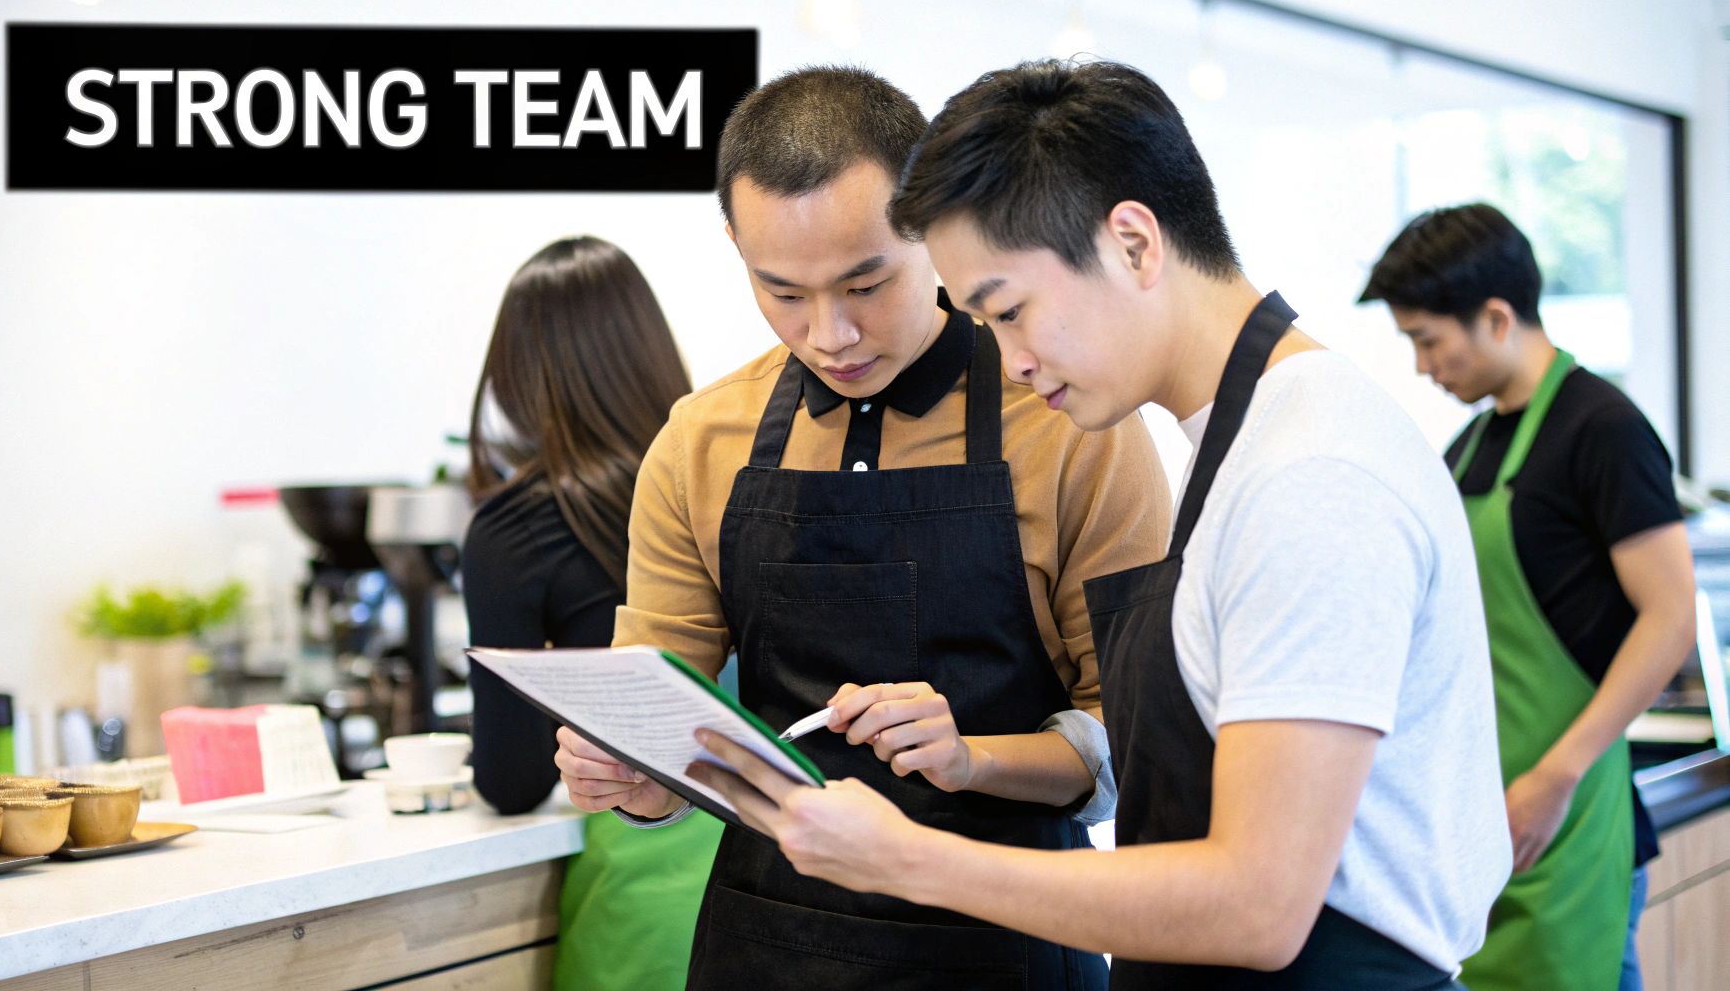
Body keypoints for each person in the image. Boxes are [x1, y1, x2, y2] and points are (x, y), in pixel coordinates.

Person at [689, 59, 1514, 989]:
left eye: (1010, 311)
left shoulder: (1310, 474)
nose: (1012, 360)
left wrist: (906, 857)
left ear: (1132, 243)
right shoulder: (1246, 441)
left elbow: (1259, 903)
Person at [552, 66, 1172, 988]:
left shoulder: (1071, 422)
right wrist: (636, 783)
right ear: (734, 245)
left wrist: (973, 760)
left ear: (928, 226)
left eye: (865, 283)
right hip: (768, 942)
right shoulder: (701, 440)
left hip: (1006, 943)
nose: (830, 334)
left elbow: (1131, 743)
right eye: (783, 293)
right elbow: (670, 724)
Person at [1361, 204, 1698, 991]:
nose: (1422, 367)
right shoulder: (1471, 446)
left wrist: (1557, 776)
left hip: (1570, 812)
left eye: (1427, 340)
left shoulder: (1603, 428)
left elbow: (1674, 612)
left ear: (1497, 317)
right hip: (1482, 821)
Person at [460, 235, 721, 991]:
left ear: (515, 374)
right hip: (779, 888)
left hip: (641, 913)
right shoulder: (725, 479)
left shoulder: (516, 530)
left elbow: (507, 781)